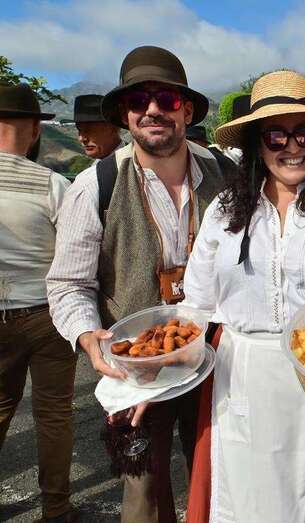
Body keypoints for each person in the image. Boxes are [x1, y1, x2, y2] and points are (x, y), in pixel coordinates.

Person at [183, 70, 305, 522]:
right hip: (243, 376)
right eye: (276, 134)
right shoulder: (225, 210)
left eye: (304, 133)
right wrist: (147, 378)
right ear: (256, 143)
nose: (292, 146)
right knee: (251, 499)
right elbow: (195, 304)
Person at [46, 45, 229, 523]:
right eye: (139, 101)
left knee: (218, 477)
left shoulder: (225, 176)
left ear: (186, 110)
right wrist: (89, 338)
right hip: (136, 366)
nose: (152, 109)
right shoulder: (96, 186)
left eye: (166, 99)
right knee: (142, 493)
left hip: (215, 356)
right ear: (125, 115)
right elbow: (68, 283)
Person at [0, 84, 77, 523]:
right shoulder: (53, 184)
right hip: (46, 316)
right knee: (53, 414)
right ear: (34, 130)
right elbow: (72, 255)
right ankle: (57, 509)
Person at [73, 94, 123, 161]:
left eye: (88, 130)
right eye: (79, 130)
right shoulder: (94, 168)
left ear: (113, 128)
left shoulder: (133, 164)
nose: (81, 139)